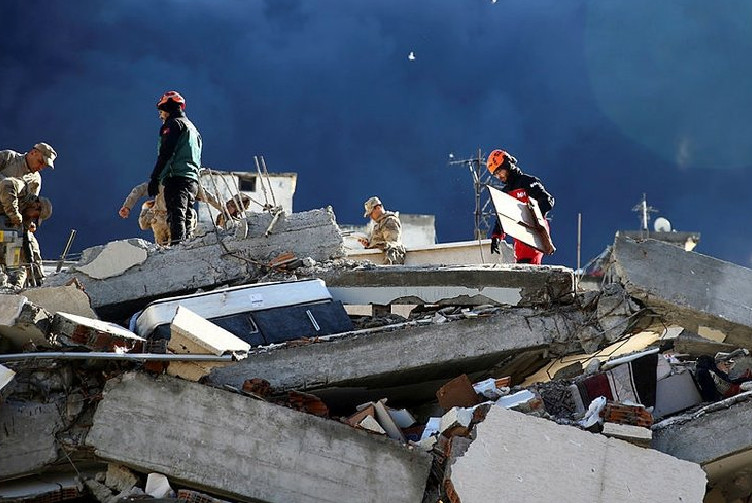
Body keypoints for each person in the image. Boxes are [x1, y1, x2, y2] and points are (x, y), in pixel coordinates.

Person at [147, 91, 202, 245]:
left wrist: (155, 178)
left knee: (176, 215)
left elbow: (166, 153)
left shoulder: (173, 124)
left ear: (168, 107)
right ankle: (185, 246)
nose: (160, 116)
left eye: (161, 111)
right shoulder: (192, 128)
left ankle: (178, 250)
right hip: (192, 180)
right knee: (186, 214)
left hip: (176, 178)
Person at [487, 149, 555, 264]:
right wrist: (496, 236)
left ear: (507, 165)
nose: (499, 177)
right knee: (522, 265)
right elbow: (502, 217)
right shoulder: (505, 192)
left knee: (527, 263)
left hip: (535, 236)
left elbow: (547, 200)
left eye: (499, 171)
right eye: (496, 175)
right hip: (520, 238)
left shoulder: (527, 182)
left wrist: (534, 218)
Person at [119, 179, 222, 245]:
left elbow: (139, 190)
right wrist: (224, 209)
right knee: (177, 244)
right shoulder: (190, 183)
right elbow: (210, 198)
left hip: (162, 219)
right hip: (174, 218)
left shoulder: (161, 182)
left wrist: (127, 206)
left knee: (165, 248)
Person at [358, 196, 406, 265]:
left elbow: (392, 245)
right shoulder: (379, 224)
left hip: (386, 263)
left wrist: (375, 244)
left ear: (378, 208)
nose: (371, 217)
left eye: (371, 213)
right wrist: (368, 244)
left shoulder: (390, 221)